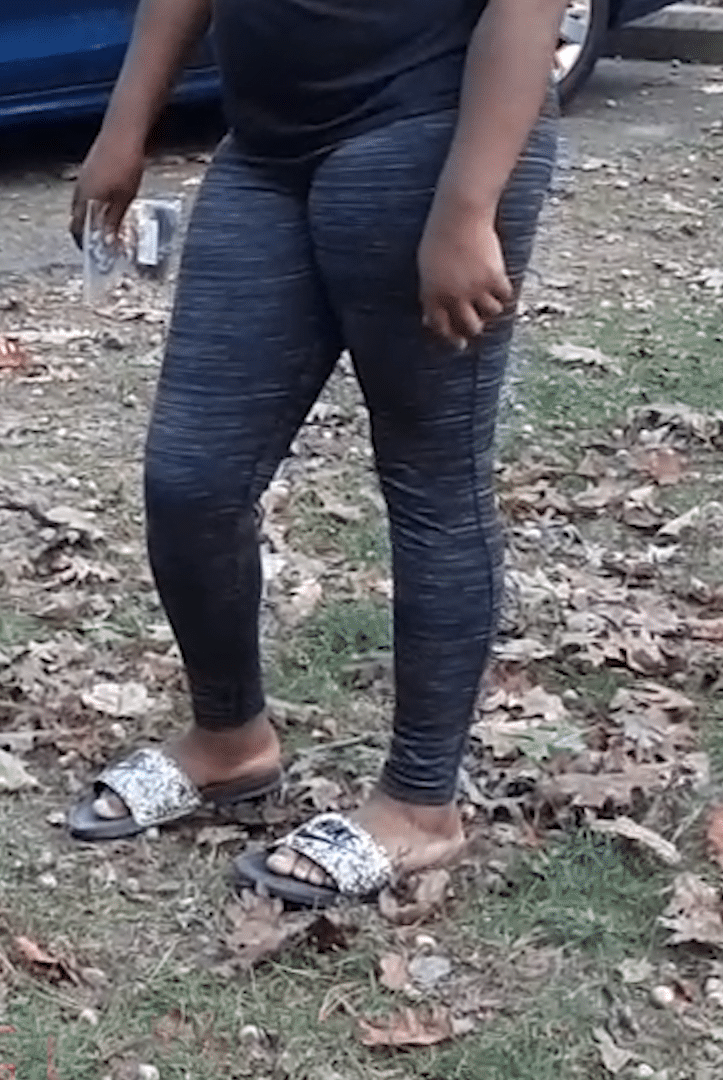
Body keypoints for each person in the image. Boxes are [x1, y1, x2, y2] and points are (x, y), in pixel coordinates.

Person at [63, 0, 563, 907]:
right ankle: (229, 743)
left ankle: (419, 804)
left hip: (429, 134)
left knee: (430, 478)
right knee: (191, 478)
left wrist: (468, 204)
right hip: (264, 151)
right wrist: (123, 127)